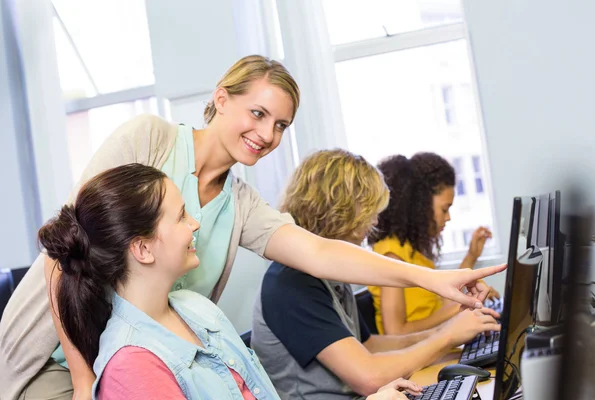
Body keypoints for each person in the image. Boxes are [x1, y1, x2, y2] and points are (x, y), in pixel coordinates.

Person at [0, 56, 504, 400]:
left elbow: (322, 253)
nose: (266, 134)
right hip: (59, 356)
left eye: (281, 125)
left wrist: (431, 279)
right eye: (257, 113)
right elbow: (67, 250)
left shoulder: (240, 203)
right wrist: (87, 380)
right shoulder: (149, 140)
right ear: (221, 98)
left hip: (153, 364)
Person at [38, 163, 424, 400]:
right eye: (181, 216)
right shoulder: (133, 366)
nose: (196, 223)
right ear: (142, 249)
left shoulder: (195, 307)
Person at [251, 150, 500, 400]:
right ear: (341, 212)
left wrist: (448, 334)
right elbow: (368, 377)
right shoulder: (290, 283)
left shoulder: (331, 272)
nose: (373, 224)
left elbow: (368, 347)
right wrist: (446, 337)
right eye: (368, 213)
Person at [367, 153, 500, 336]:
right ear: (420, 205)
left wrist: (471, 257)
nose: (448, 217)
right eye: (444, 209)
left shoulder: (414, 251)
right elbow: (396, 332)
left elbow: (438, 308)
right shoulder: (393, 254)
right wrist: (463, 305)